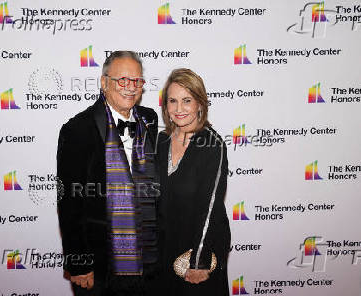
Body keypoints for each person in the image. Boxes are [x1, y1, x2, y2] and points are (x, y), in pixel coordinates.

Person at [57, 51, 159, 296]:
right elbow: (69, 203)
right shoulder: (78, 129)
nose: (130, 88)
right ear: (104, 83)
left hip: (148, 258)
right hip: (100, 263)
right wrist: (79, 264)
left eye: (137, 81)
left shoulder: (150, 120)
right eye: (122, 80)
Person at [157, 68, 231, 295]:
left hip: (201, 245)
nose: (179, 109)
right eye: (173, 101)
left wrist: (200, 261)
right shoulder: (160, 141)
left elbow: (210, 207)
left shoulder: (212, 144)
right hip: (165, 245)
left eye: (186, 100)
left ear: (200, 104)